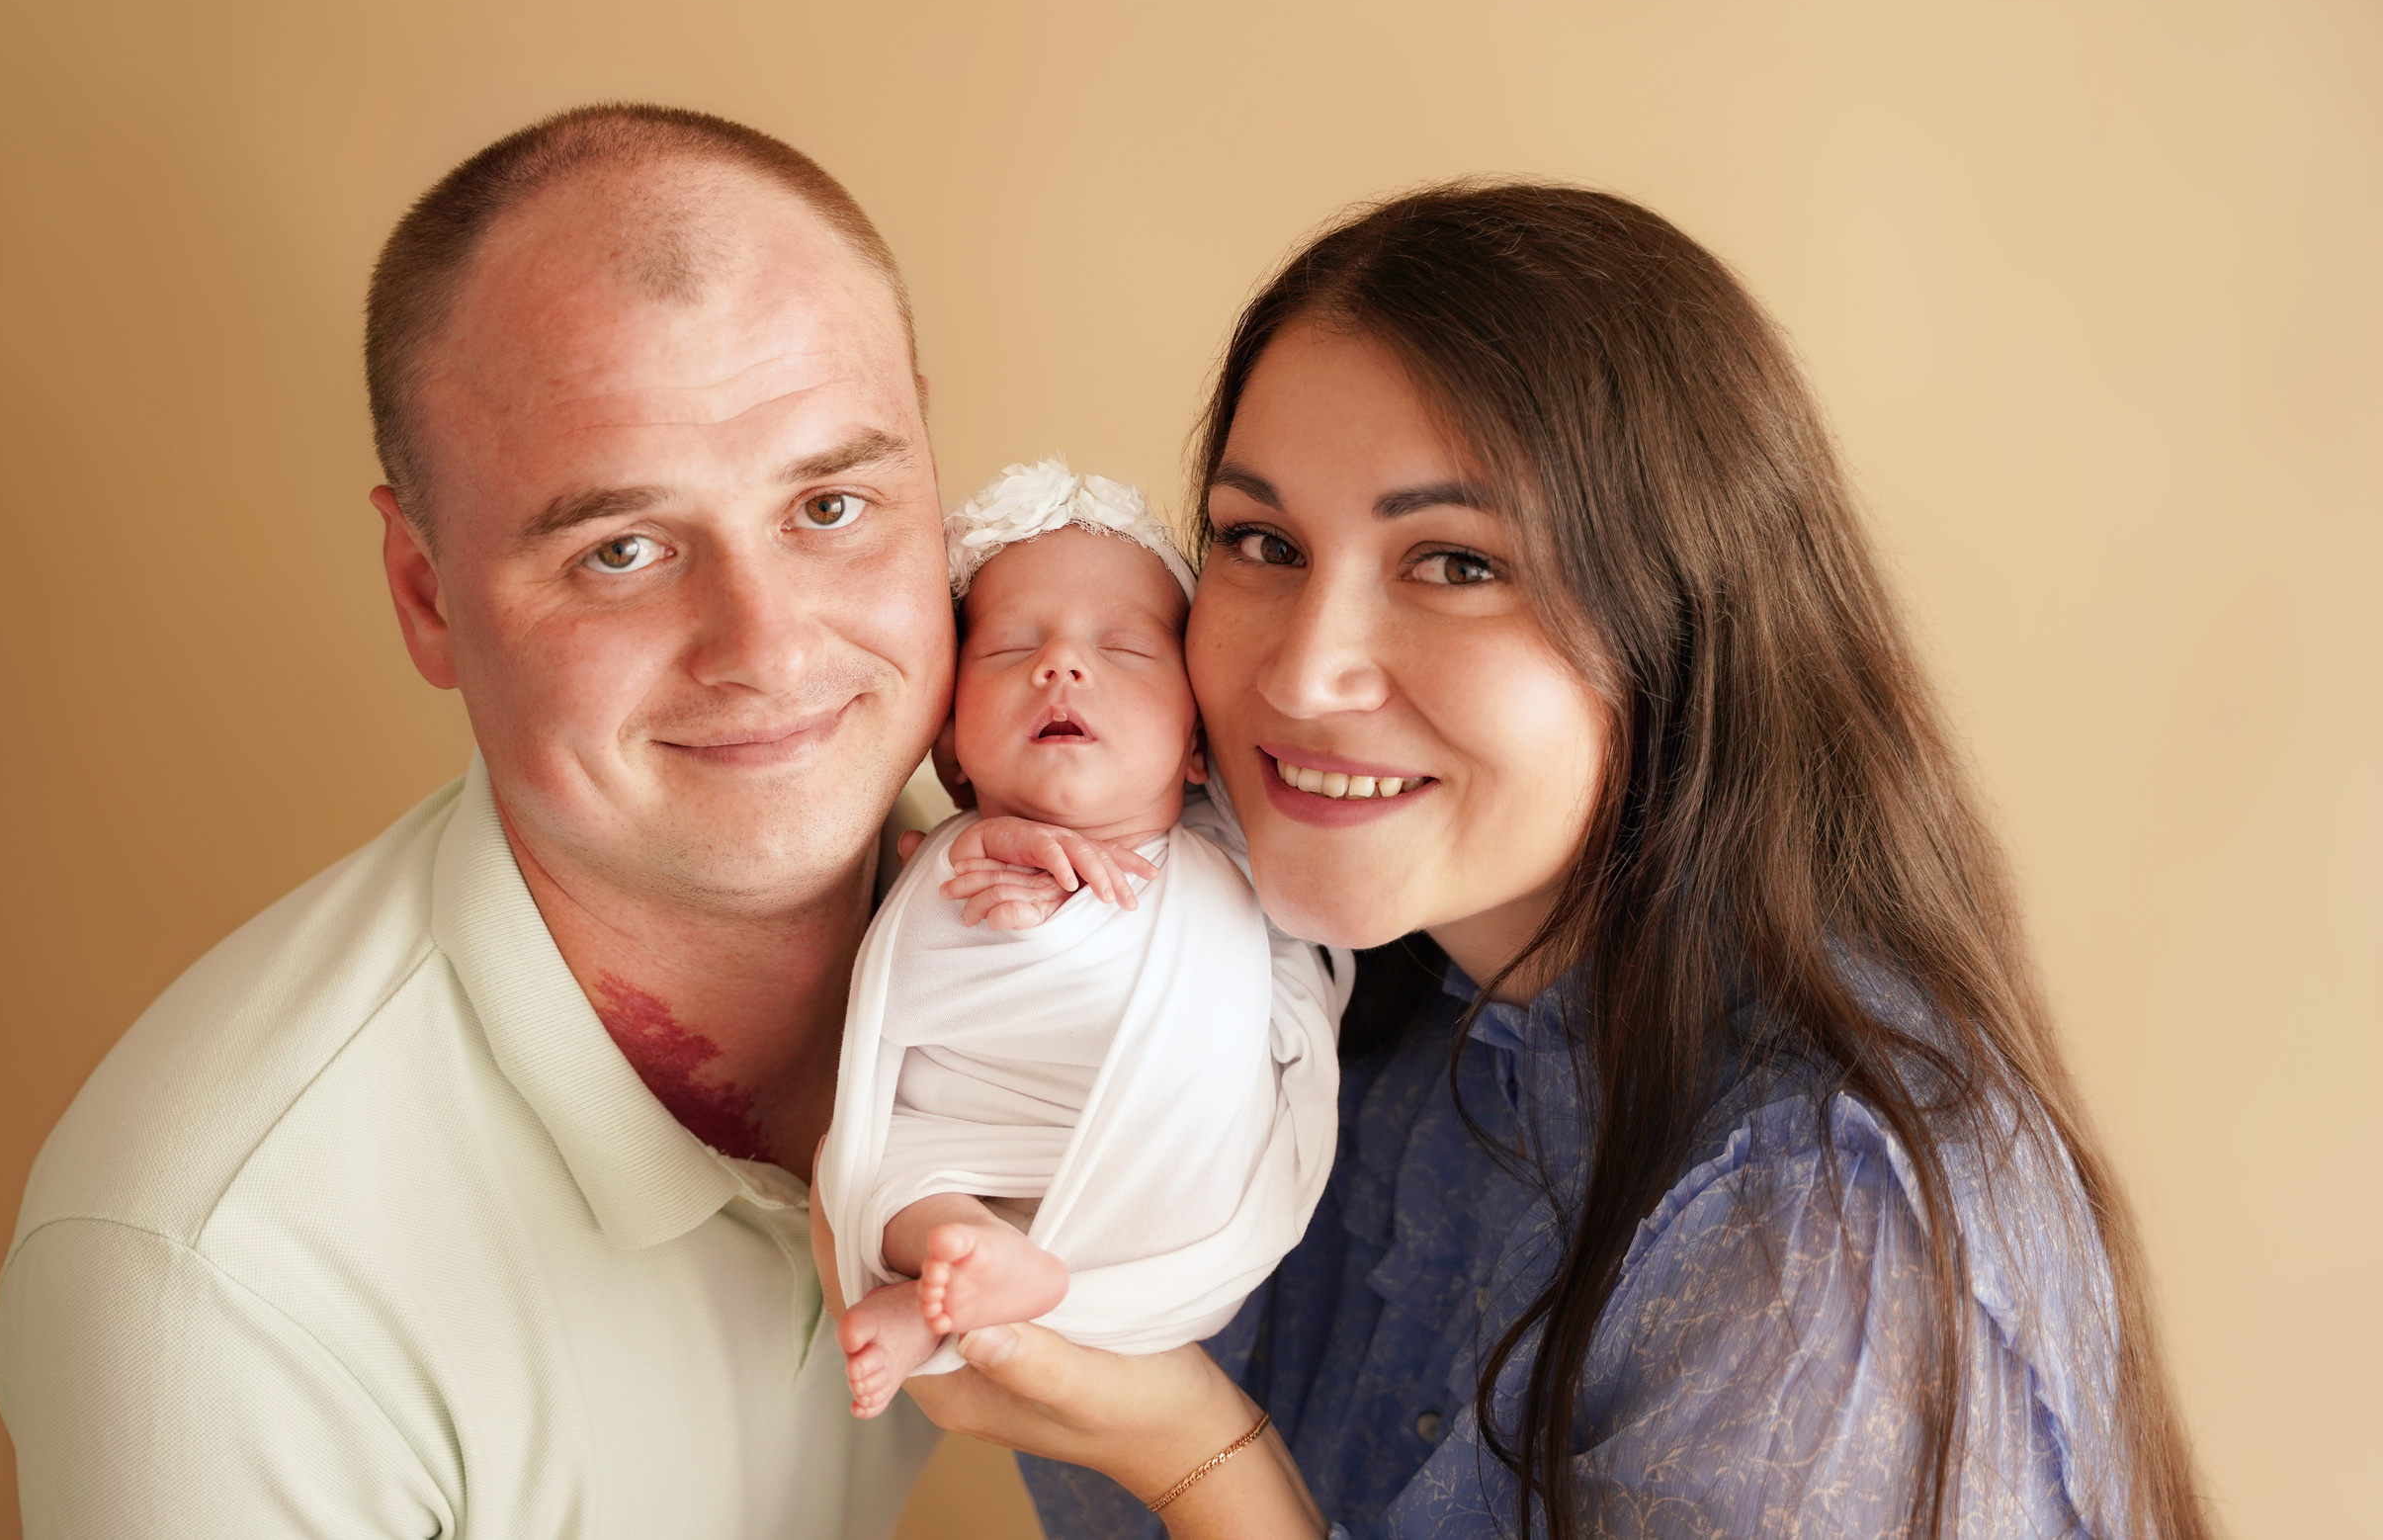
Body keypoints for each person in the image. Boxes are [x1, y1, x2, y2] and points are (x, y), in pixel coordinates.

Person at [881, 184, 2213, 1538]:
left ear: (1675, 620)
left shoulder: (1823, 1239)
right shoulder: (1307, 1007)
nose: (1303, 672)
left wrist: (1196, 1456)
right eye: (1263, 543)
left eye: (1456, 565)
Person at [0, 104, 960, 1537]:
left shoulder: (1114, 929)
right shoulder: (218, 1283)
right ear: (426, 594)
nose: (766, 646)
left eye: (829, 505)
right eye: (621, 549)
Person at [819, 463, 1342, 1421]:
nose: (1060, 664)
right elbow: (904, 999)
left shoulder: (1226, 877)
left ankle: (965, 1286)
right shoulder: (949, 862)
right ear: (952, 750)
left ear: (1197, 744)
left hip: (1163, 1206)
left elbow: (1258, 1017)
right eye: (1010, 647)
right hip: (970, 1157)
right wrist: (967, 878)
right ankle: (954, 1273)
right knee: (878, 1179)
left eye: (1126, 648)